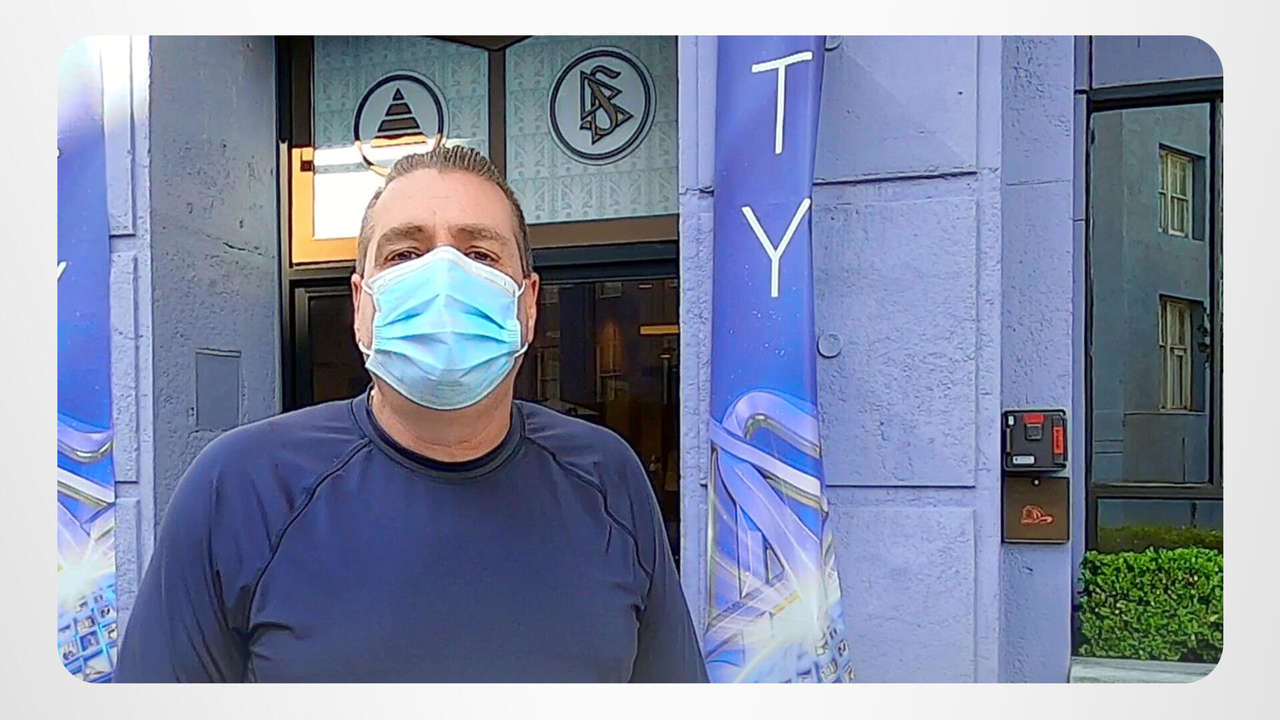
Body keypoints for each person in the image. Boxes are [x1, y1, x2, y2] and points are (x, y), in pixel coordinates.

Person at [114, 146, 708, 683]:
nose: (444, 279)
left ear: (527, 305)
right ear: (361, 304)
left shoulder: (606, 478)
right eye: (404, 253)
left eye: (479, 253)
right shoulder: (243, 486)